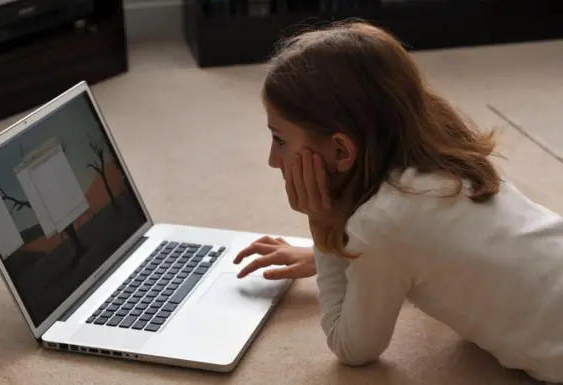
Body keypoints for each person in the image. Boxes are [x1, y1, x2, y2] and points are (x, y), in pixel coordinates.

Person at [233, 20, 563, 384]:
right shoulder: (447, 159)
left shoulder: (382, 226)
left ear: (341, 149)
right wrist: (340, 253)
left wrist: (326, 232)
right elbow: (426, 246)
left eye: (280, 140)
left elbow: (352, 348)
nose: (272, 160)